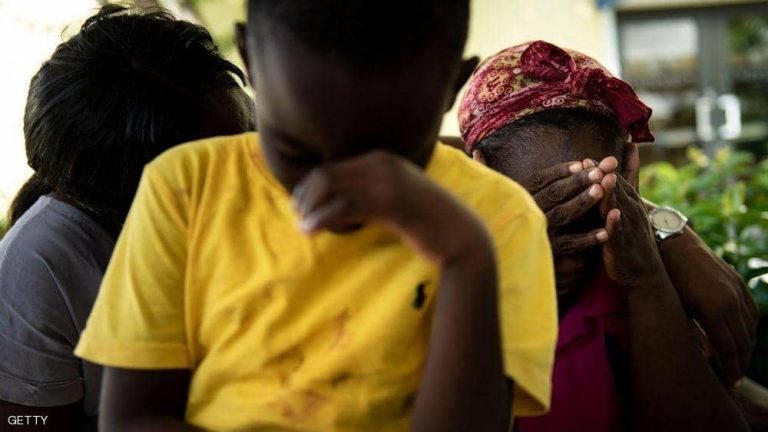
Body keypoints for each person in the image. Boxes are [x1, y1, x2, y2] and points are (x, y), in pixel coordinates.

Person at [74, 1, 558, 431]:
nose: (334, 186)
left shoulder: (497, 221)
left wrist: (465, 257)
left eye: (385, 159)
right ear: (249, 58)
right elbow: (132, 418)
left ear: (453, 84)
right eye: (297, 152)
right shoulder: (185, 187)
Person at [459, 40, 758, 432]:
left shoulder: (641, 288)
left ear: (629, 169)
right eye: (542, 221)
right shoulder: (447, 285)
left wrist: (647, 277)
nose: (569, 255)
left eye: (588, 218)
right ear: (478, 175)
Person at [0, 5, 255, 430]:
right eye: (222, 166)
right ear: (146, 199)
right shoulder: (42, 266)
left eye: (254, 132)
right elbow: (29, 423)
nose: (260, 165)